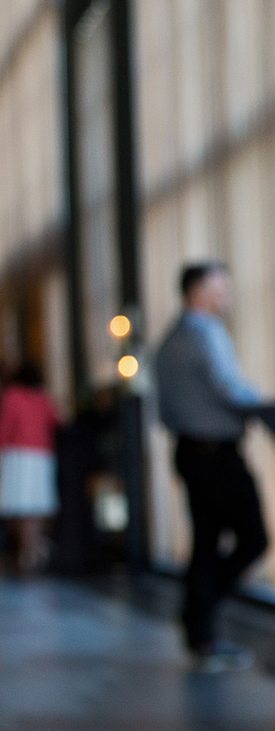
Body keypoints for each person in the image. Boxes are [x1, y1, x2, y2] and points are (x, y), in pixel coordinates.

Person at [155, 262, 270, 672]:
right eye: (222, 287)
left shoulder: (170, 339)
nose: (228, 295)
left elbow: (165, 410)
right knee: (252, 538)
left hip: (190, 451)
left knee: (206, 543)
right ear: (199, 290)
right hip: (216, 455)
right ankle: (199, 616)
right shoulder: (205, 333)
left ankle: (200, 628)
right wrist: (264, 407)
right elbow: (229, 387)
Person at [0, 362, 61, 573]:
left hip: (19, 456)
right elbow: (57, 420)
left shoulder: (12, 396)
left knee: (23, 508)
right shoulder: (43, 397)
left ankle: (30, 551)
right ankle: (35, 548)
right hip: (42, 455)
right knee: (35, 507)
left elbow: (3, 428)